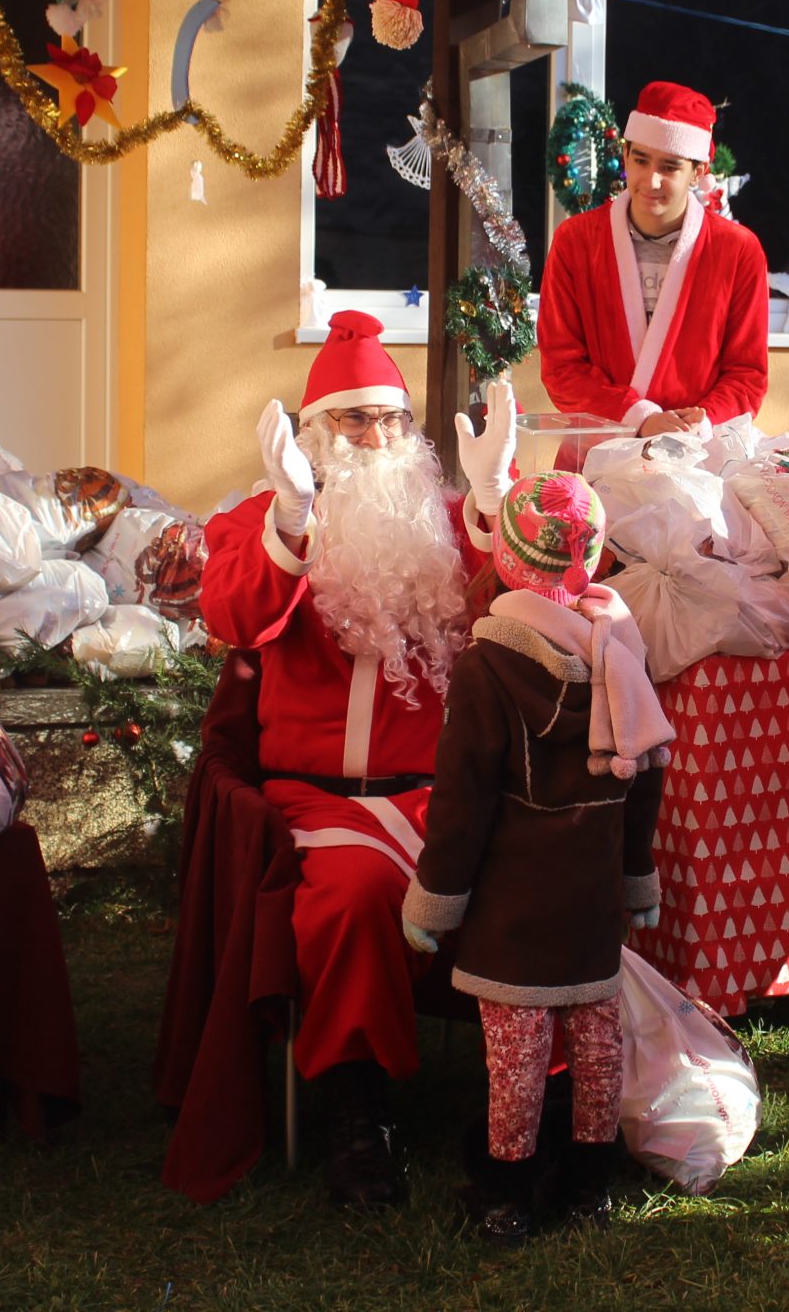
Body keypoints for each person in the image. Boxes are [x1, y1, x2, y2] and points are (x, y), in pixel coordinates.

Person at [199, 312, 511, 1205]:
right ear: (312, 435)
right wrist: (292, 523)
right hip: (317, 804)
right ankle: (356, 1110)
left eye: (390, 420)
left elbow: (522, 596)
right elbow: (232, 615)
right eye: (352, 420)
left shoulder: (447, 523)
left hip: (437, 803)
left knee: (536, 868)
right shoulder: (264, 522)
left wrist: (494, 504)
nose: (376, 439)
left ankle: (544, 1104)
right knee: (357, 895)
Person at [401, 473, 670, 1242]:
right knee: (595, 1046)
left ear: (509, 562)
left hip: (512, 913)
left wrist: (434, 899)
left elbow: (460, 806)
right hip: (590, 904)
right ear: (592, 561)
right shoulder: (624, 652)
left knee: (516, 1060)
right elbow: (647, 775)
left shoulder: (488, 668)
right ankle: (590, 1188)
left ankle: (502, 1197)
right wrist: (635, 874)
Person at [536, 81, 770, 437]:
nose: (651, 180)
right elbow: (562, 367)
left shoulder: (738, 251)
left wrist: (699, 422)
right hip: (598, 452)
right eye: (640, 160)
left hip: (699, 458)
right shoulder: (576, 242)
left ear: (699, 170)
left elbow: (747, 374)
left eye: (670, 167)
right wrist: (638, 415)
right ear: (625, 154)